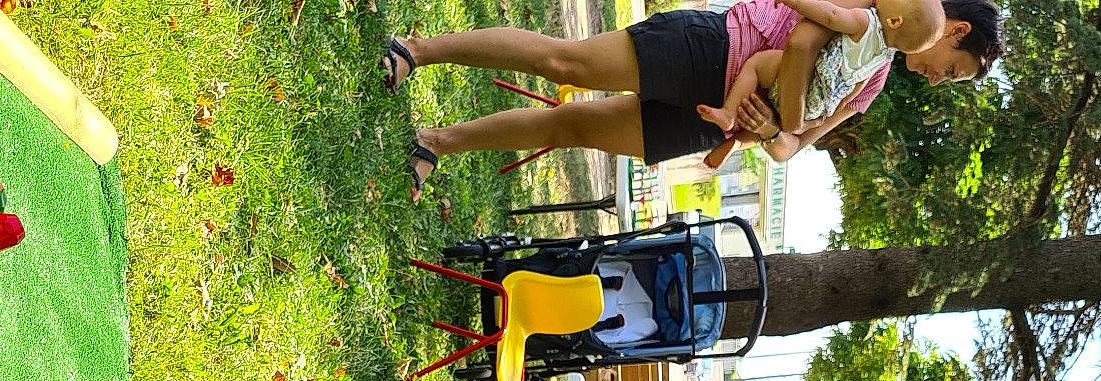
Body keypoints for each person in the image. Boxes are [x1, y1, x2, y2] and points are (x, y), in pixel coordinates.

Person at [386, 0, 1004, 196]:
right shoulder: (873, 12)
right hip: (712, 50)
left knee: (570, 128)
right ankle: (418, 50)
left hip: (713, 124)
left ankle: (436, 143)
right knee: (562, 61)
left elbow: (796, 146)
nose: (935, 78)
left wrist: (770, 133)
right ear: (955, 31)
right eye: (950, 71)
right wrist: (780, 108)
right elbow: (804, 34)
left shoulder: (873, 80)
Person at [698, 0, 944, 138]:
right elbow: (854, 89)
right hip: (813, 107)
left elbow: (831, 15)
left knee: (756, 64)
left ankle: (729, 113)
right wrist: (817, 118)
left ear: (894, 21)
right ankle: (731, 118)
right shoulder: (882, 59)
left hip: (798, 79)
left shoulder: (867, 22)